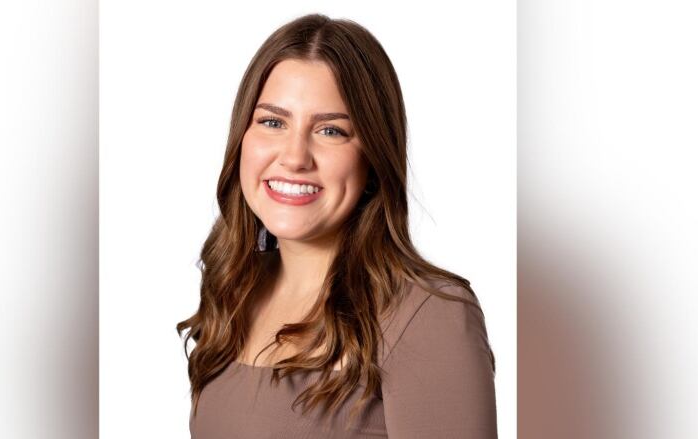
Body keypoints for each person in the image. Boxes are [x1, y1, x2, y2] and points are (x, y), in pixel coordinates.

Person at [176, 13, 498, 438]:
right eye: (273, 122)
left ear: (373, 157)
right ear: (241, 138)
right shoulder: (232, 297)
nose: (294, 157)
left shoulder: (427, 315)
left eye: (331, 131)